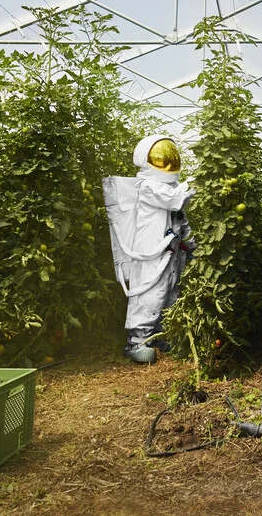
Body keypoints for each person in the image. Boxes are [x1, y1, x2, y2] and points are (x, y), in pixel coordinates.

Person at [103, 135, 195, 364]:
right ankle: (137, 341)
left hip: (169, 250)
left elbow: (179, 218)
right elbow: (176, 201)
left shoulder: (170, 187)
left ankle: (160, 335)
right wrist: (196, 183)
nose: (168, 162)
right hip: (151, 252)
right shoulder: (147, 186)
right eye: (162, 158)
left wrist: (189, 242)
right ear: (146, 160)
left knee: (170, 292)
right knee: (149, 293)